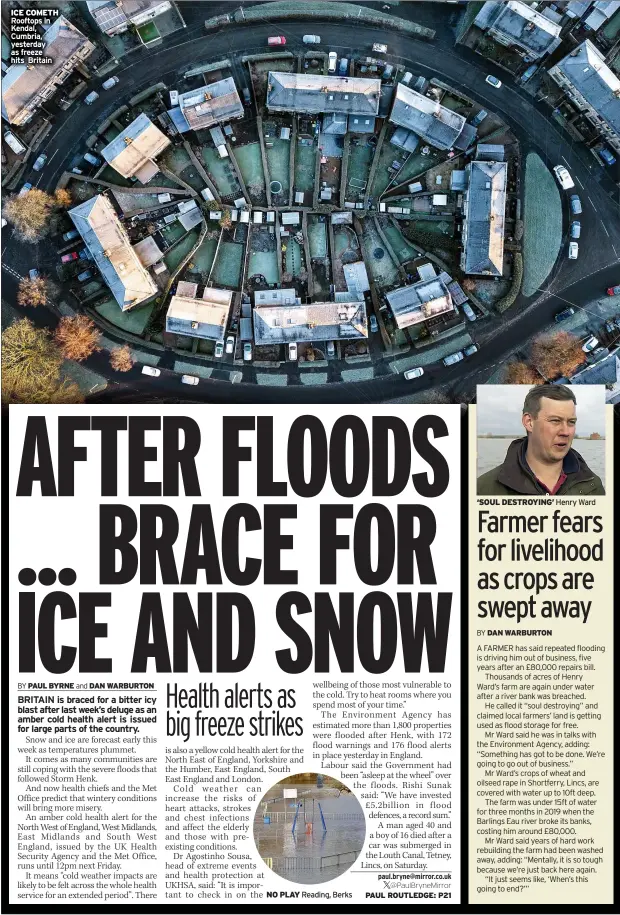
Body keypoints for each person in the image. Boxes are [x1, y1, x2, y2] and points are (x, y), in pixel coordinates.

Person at [477, 385, 605, 496]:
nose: (566, 432)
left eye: (571, 422)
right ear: (529, 422)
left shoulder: (593, 485)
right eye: (555, 420)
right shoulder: (484, 489)